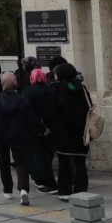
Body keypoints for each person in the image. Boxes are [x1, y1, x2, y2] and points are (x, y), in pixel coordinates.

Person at [0, 72, 39, 205]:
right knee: (21, 163)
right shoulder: (23, 99)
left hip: (1, 135)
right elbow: (30, 119)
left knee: (4, 163)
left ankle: (7, 190)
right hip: (19, 134)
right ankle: (23, 189)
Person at [47, 63, 91, 200]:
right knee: (80, 163)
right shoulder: (81, 88)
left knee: (64, 162)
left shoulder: (55, 89)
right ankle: (81, 190)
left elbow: (51, 112)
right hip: (80, 131)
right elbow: (89, 107)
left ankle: (64, 191)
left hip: (62, 133)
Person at [22, 67, 58, 193]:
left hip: (35, 127)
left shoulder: (28, 91)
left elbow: (25, 110)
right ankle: (45, 178)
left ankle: (44, 180)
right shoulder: (52, 90)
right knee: (47, 153)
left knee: (37, 154)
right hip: (51, 126)